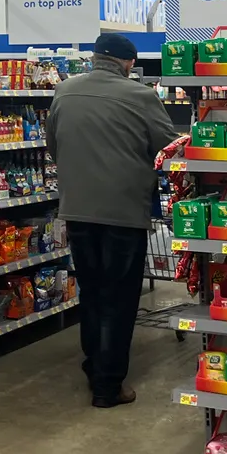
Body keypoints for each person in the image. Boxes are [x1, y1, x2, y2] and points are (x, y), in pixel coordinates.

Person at [45, 32, 178, 408]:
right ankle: (107, 385)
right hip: (123, 213)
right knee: (120, 298)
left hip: (77, 210)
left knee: (92, 292)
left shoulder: (64, 91)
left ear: (95, 58)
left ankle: (94, 366)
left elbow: (53, 145)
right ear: (128, 63)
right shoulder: (141, 96)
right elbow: (166, 149)